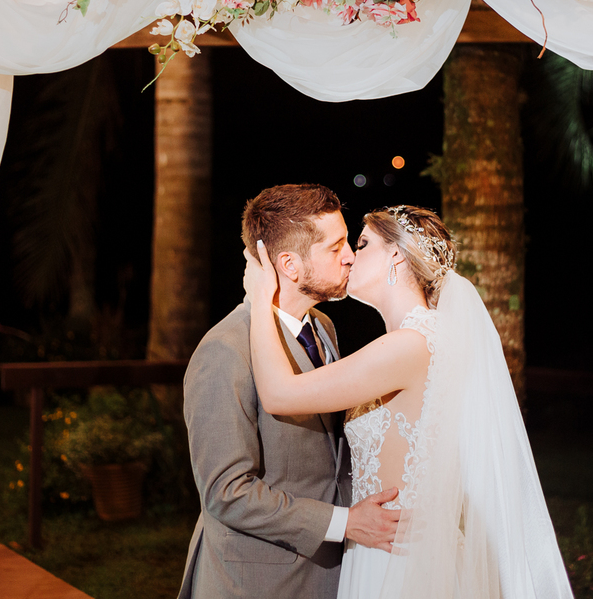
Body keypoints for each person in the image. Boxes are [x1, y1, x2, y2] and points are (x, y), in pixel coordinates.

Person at [245, 204, 575, 599]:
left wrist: (261, 295)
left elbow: (279, 394)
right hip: (388, 548)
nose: (350, 254)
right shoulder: (423, 339)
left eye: (363, 243)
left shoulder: (409, 346)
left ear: (396, 256)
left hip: (399, 563)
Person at [178, 184, 402, 599]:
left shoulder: (324, 327)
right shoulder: (224, 352)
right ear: (290, 264)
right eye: (335, 248)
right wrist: (345, 523)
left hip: (328, 573)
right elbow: (227, 493)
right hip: (256, 582)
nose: (350, 255)